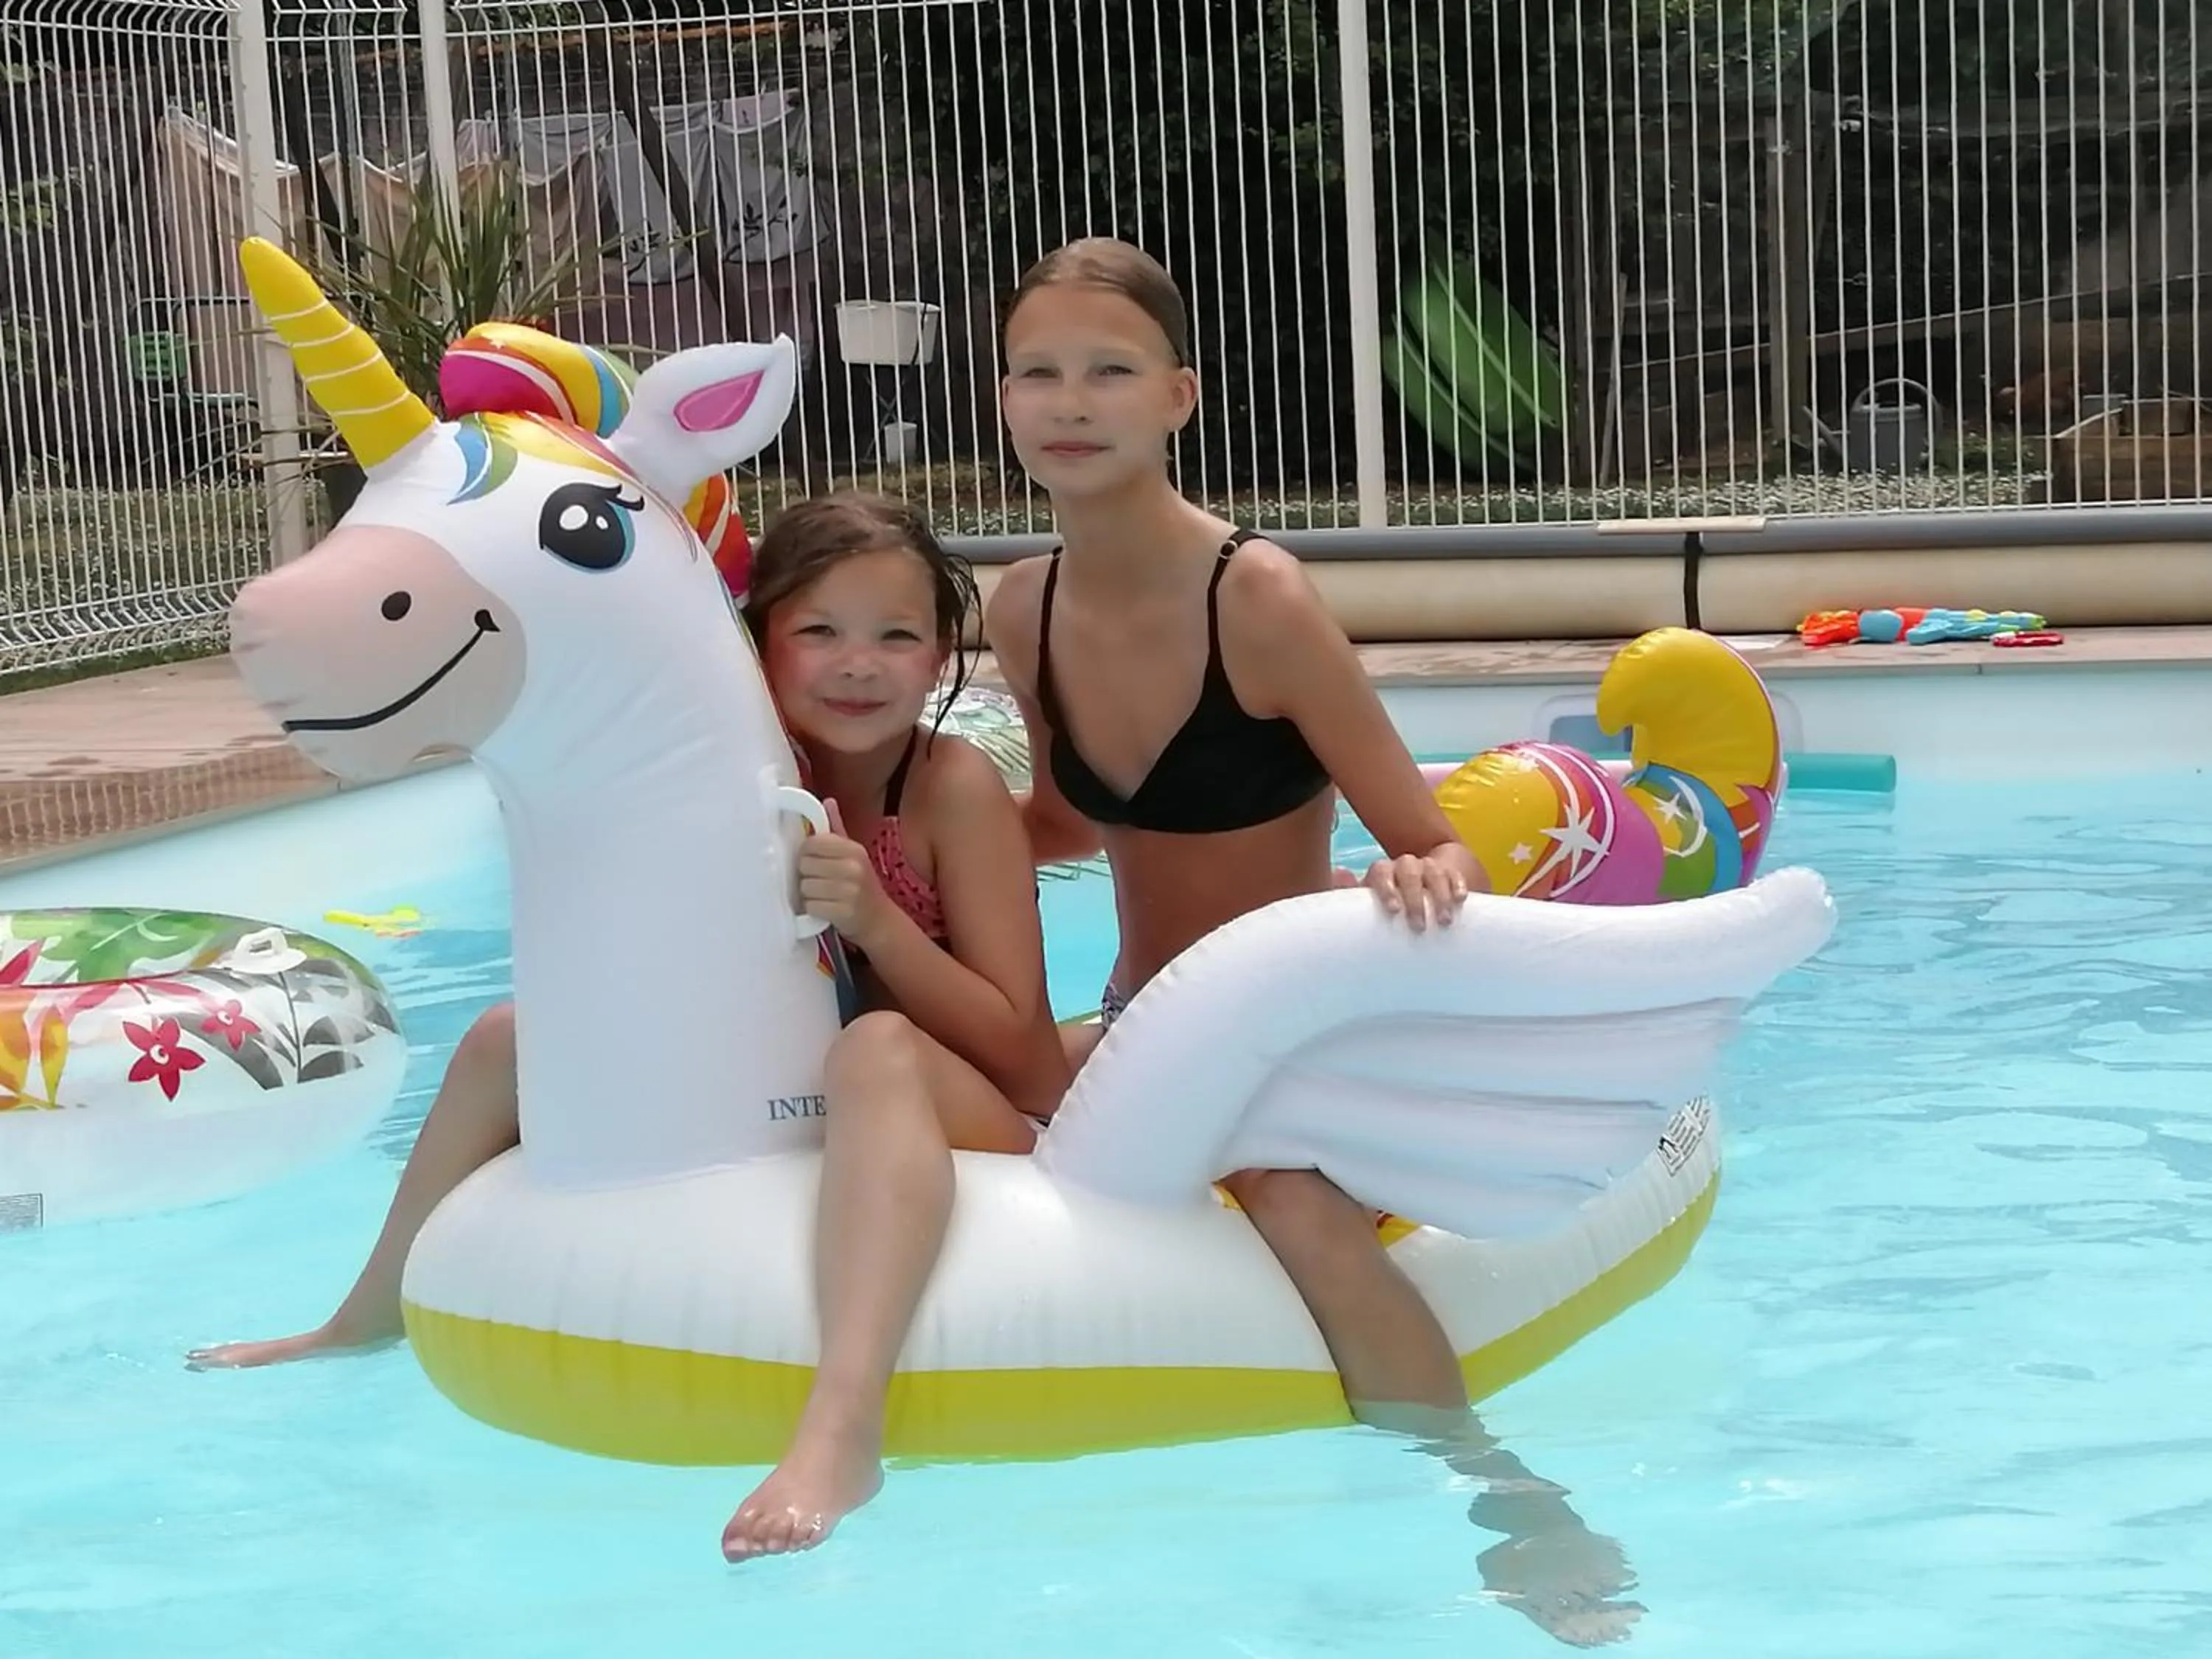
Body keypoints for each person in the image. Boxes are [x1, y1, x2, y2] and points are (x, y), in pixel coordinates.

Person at [192, 492, 1071, 1565]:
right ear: (756, 645)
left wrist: (877, 922)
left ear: (941, 657)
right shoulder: (733, 776)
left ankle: (842, 1430)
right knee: (508, 1037)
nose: (859, 664)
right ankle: (365, 1315)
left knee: (872, 1048)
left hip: (958, 1098)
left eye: (898, 635)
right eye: (819, 632)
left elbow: (1024, 1052)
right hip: (793, 1094)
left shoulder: (948, 790)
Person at [982, 237, 1642, 1646]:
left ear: (1179, 395)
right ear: (1003, 398)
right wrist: (917, 830)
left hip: (1298, 1026)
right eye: (1037, 371)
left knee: (1290, 1200)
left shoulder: (1257, 597)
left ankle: (1500, 1488)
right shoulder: (1015, 604)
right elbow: (1066, 824)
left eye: (1107, 370)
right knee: (949, 1089)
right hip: (1149, 1012)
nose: (1069, 400)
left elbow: (1431, 834)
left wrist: (1421, 879)